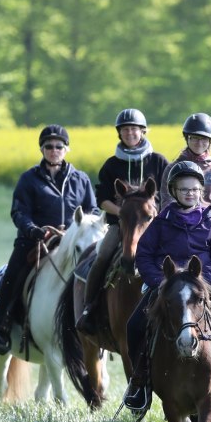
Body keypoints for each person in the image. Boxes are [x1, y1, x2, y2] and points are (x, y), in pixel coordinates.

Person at [122, 161, 211, 413]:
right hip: (167, 283)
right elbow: (144, 254)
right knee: (134, 325)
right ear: (173, 192)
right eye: (183, 189)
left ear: (201, 191)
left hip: (204, 282)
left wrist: (203, 280)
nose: (189, 193)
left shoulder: (210, 221)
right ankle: (138, 381)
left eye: (194, 189)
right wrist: (159, 280)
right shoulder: (162, 221)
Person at [0, 125, 98, 355]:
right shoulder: (29, 179)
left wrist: (83, 228)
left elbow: (93, 209)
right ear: (42, 149)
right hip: (35, 241)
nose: (54, 150)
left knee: (97, 274)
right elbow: (19, 212)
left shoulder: (81, 179)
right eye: (48, 146)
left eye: (59, 146)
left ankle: (99, 328)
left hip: (72, 241)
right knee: (12, 276)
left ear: (67, 149)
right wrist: (32, 230)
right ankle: (2, 329)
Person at [75, 108, 170, 333]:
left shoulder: (158, 162)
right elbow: (102, 199)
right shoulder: (111, 165)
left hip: (153, 226)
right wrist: (124, 214)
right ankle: (90, 309)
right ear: (120, 133)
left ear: (142, 132)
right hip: (120, 226)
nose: (130, 133)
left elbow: (168, 195)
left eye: (134, 129)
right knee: (101, 258)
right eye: (125, 130)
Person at [160, 112, 211, 220]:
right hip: (182, 224)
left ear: (210, 141)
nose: (199, 142)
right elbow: (167, 201)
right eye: (195, 137)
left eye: (204, 139)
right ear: (187, 138)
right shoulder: (172, 169)